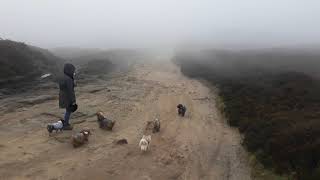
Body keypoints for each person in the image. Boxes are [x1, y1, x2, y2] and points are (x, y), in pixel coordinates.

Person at [59, 63, 77, 130]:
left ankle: (65, 122)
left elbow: (63, 87)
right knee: (68, 110)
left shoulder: (63, 76)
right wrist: (73, 101)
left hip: (62, 96)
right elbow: (70, 91)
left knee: (67, 110)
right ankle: (66, 125)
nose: (73, 71)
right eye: (73, 70)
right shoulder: (69, 79)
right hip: (67, 97)